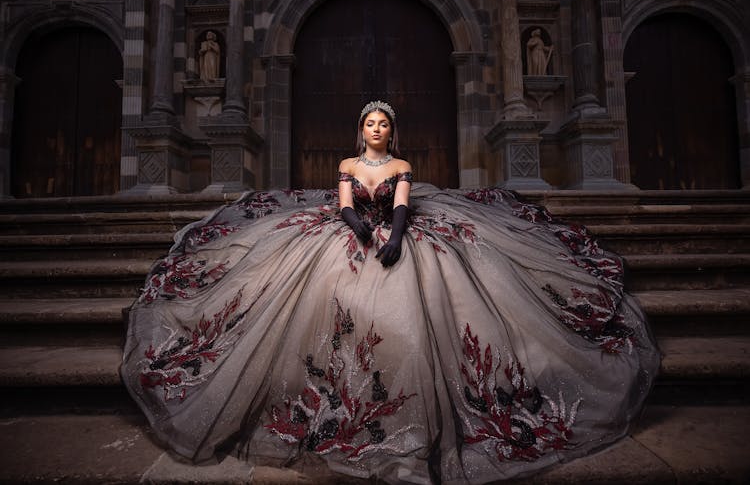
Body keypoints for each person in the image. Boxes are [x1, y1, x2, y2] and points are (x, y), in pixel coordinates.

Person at [122, 101, 659, 484]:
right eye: (370, 123)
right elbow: (344, 204)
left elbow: (401, 204)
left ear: (391, 132)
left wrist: (396, 237)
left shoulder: (401, 166)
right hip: (347, 236)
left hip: (401, 236)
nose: (377, 129)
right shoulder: (349, 166)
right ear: (361, 131)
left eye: (384, 124)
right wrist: (356, 229)